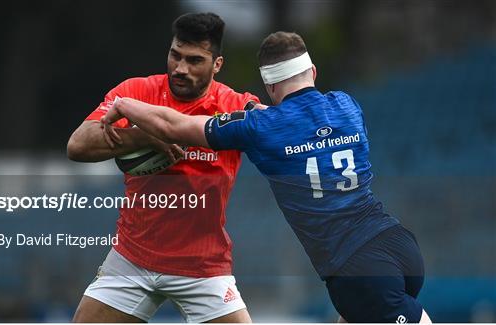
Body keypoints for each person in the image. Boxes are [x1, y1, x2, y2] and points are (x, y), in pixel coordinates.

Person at [101, 31, 433, 323]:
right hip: (398, 245)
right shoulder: (347, 104)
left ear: (269, 85)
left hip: (354, 269)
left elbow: (175, 126)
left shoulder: (261, 127)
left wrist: (125, 104)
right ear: (313, 72)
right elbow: (304, 126)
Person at [67, 12, 259, 323]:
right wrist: (147, 134)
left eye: (195, 60)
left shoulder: (235, 105)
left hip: (203, 268)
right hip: (132, 259)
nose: (181, 69)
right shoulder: (137, 92)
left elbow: (272, 124)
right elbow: (78, 145)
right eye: (175, 56)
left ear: (217, 65)